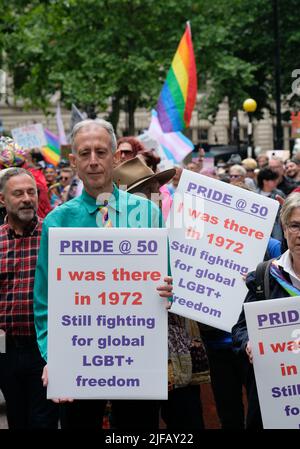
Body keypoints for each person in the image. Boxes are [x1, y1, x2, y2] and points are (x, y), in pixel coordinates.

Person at [33, 119, 173, 430]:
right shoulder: (57, 221)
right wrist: (52, 356)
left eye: (101, 152)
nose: (93, 161)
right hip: (79, 359)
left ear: (114, 157)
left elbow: (168, 280)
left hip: (136, 357)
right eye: (85, 153)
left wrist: (169, 290)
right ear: (74, 162)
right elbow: (44, 300)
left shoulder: (147, 212)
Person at [232, 192, 300, 429]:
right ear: (284, 227)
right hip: (276, 395)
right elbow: (240, 327)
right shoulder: (266, 275)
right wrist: (248, 342)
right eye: (294, 226)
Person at [0, 167, 58, 429]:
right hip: (5, 350)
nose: (26, 198)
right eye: (18, 193)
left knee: (43, 420)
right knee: (17, 417)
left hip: (44, 349)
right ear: (3, 199)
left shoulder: (54, 236)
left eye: (31, 192)